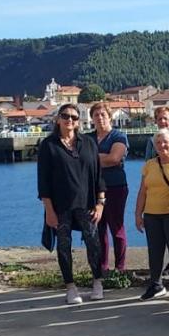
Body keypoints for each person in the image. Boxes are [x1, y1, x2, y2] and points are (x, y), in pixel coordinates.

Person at [37, 103, 106, 305]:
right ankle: (70, 287)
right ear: (58, 119)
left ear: (79, 122)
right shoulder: (48, 145)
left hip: (87, 204)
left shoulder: (89, 143)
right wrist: (49, 210)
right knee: (64, 246)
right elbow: (43, 182)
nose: (70, 120)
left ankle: (97, 281)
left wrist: (101, 203)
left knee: (93, 242)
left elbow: (99, 176)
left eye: (74, 118)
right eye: (66, 116)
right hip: (60, 206)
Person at [135, 128, 169, 301]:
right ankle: (156, 285)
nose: (162, 145)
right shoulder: (150, 164)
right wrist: (137, 214)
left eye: (166, 141)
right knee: (154, 252)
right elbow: (143, 191)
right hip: (151, 214)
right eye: (158, 142)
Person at [90, 101, 128, 273]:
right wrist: (103, 158)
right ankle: (102, 267)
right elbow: (78, 160)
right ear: (92, 118)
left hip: (115, 186)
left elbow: (114, 158)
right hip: (93, 188)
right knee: (98, 228)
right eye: (96, 115)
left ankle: (120, 267)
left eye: (103, 114)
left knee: (116, 227)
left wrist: (91, 160)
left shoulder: (118, 136)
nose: (100, 118)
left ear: (109, 116)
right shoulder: (87, 138)